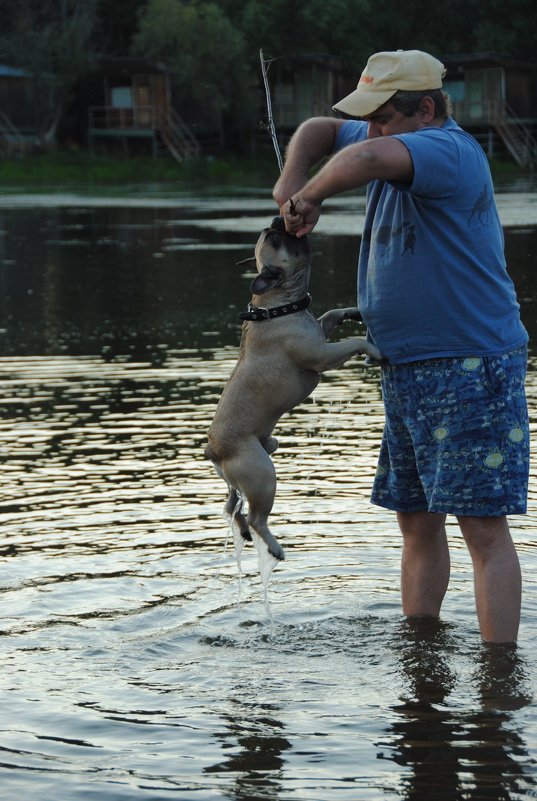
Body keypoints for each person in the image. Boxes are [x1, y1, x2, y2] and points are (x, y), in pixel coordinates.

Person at [273, 49, 529, 644]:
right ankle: (422, 651)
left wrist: (309, 198)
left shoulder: (450, 151)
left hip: (471, 364)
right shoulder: (391, 128)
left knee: (482, 531)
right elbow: (320, 130)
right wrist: (290, 179)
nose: (375, 127)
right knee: (416, 523)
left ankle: (499, 679)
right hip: (406, 366)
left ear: (428, 108)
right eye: (372, 116)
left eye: (385, 116)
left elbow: (363, 154)